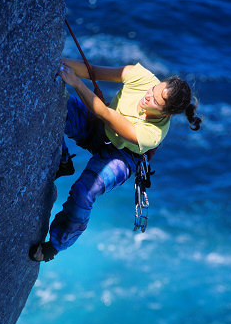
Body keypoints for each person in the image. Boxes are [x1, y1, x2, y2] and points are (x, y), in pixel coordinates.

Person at [29, 58, 202, 262]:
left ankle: (55, 245)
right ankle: (63, 161)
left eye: (155, 101)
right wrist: (56, 62)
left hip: (121, 156)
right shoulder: (141, 76)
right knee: (58, 106)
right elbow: (91, 70)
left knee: (84, 193)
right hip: (100, 128)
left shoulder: (153, 134)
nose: (147, 96)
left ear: (165, 113)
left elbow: (105, 113)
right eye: (153, 89)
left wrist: (75, 82)